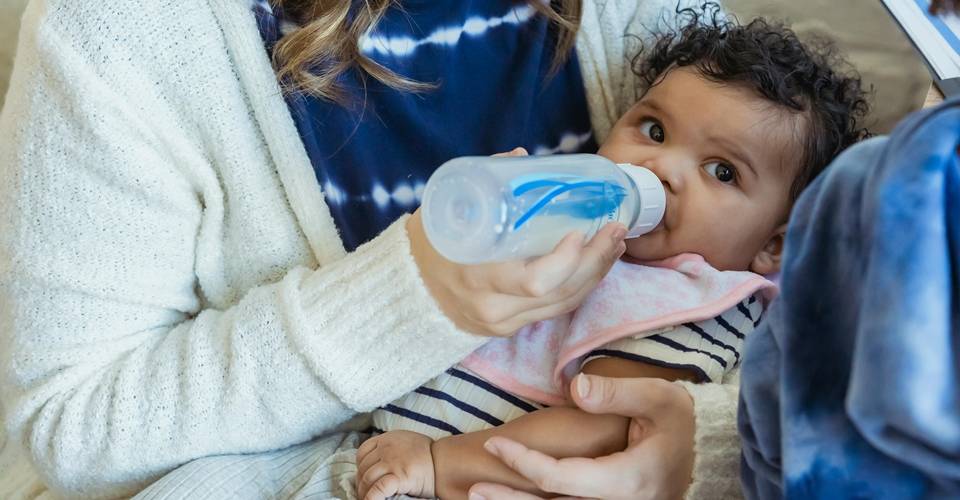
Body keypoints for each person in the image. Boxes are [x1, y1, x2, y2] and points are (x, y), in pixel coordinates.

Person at [0, 0, 731, 498]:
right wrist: (416, 298)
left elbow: (808, 275)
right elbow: (68, 429)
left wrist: (709, 443)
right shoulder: (123, 30)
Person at [353, 12, 869, 500]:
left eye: (723, 171)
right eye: (655, 131)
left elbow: (604, 428)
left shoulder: (701, 301)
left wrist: (438, 463)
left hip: (453, 471)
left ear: (770, 246)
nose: (662, 167)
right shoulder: (575, 222)